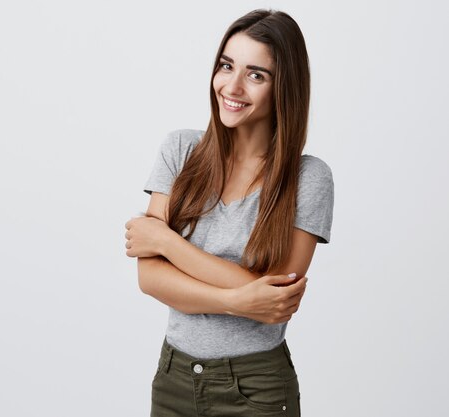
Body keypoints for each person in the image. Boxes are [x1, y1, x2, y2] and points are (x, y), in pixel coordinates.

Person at [124, 8, 334, 417]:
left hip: (256, 387)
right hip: (174, 377)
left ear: (284, 88)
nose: (232, 86)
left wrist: (166, 241)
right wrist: (240, 300)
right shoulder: (181, 150)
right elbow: (150, 278)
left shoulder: (309, 178)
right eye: (226, 66)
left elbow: (273, 301)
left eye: (256, 75)